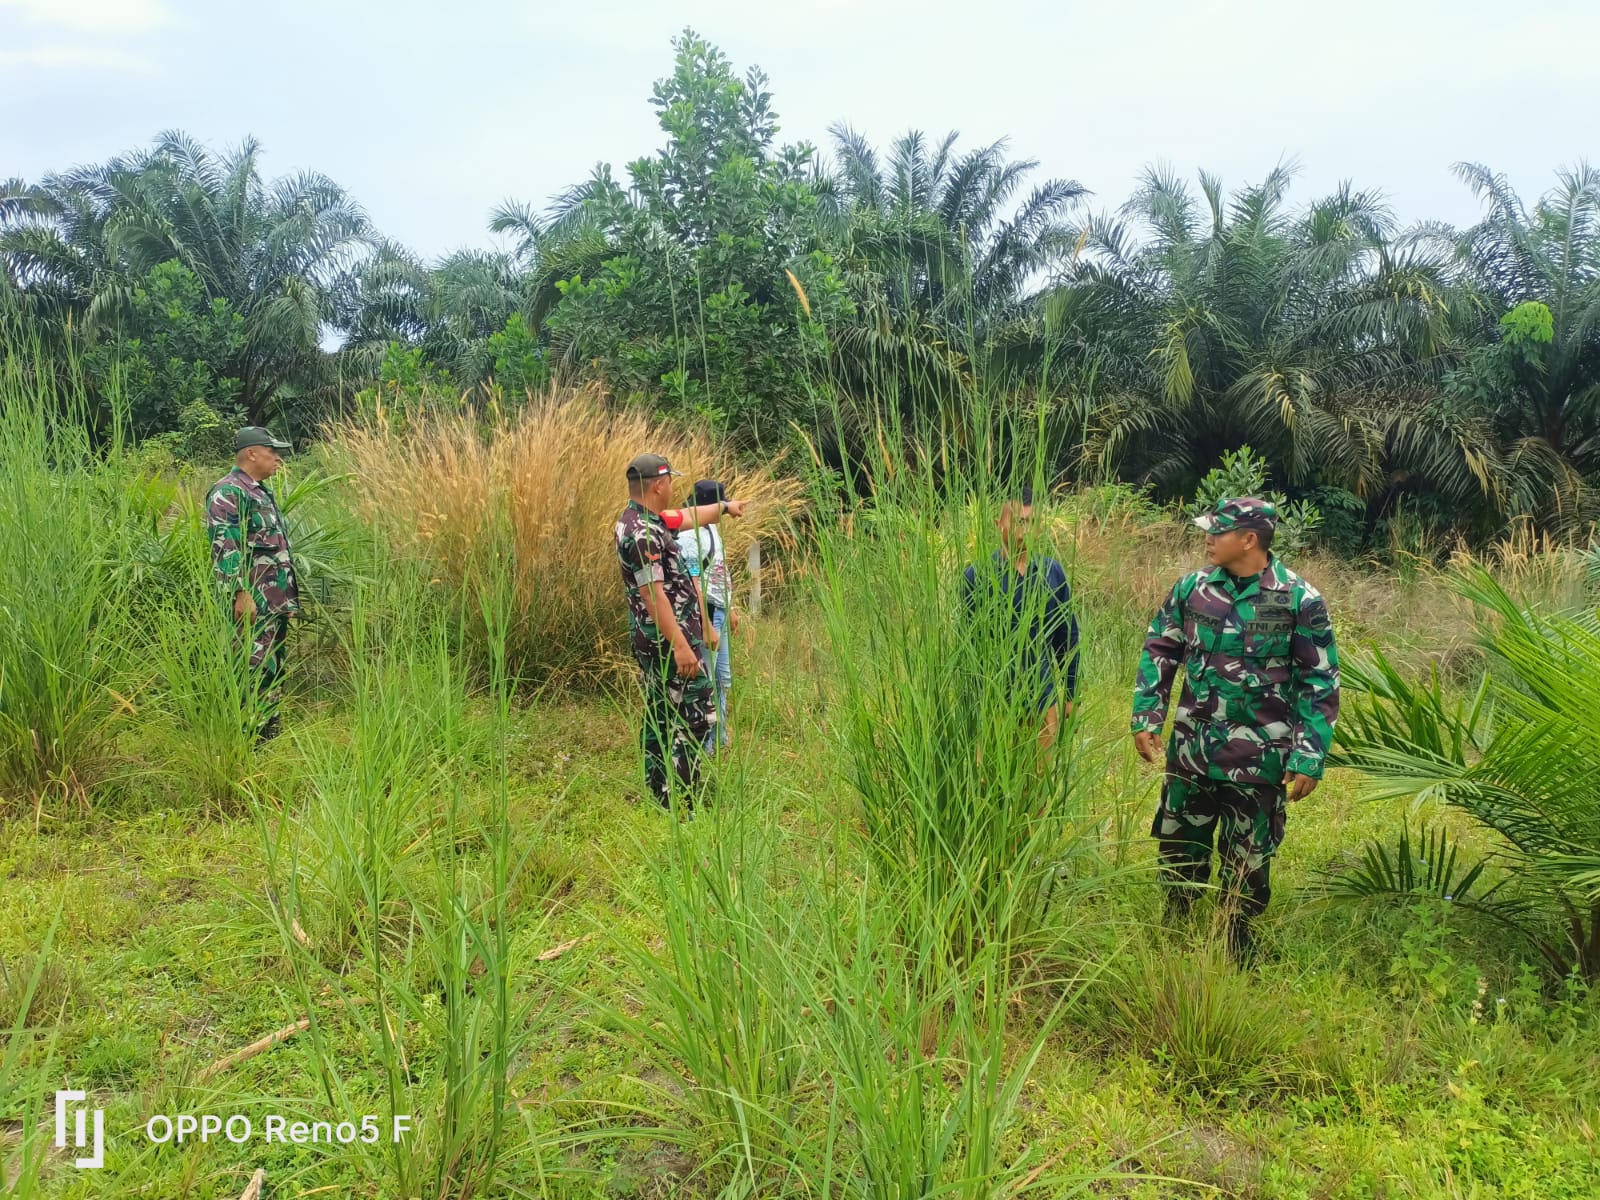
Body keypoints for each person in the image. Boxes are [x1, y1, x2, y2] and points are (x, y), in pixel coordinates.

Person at [1131, 496, 1340, 961]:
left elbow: (1319, 678)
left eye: (1218, 531)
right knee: (1179, 837)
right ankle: (1178, 918)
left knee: (1248, 852)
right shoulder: (1193, 589)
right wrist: (1147, 715)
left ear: (1249, 540)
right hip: (1192, 749)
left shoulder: (1298, 599)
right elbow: (1161, 648)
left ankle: (1236, 934)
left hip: (1258, 758)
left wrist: (1309, 755)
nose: (1208, 538)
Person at [615, 453, 746, 809]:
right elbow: (652, 594)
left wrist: (726, 506)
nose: (673, 487)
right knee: (700, 711)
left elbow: (688, 516)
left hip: (662, 639)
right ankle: (683, 796)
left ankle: (658, 790)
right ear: (659, 484)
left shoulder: (647, 520)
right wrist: (681, 646)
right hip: (665, 641)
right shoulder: (642, 534)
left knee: (660, 712)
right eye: (670, 481)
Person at [962, 487, 1080, 754]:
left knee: (1039, 786)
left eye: (1032, 522)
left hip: (1042, 701)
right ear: (998, 524)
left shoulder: (1052, 573)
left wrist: (1072, 695)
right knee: (991, 784)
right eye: (1019, 521)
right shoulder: (977, 577)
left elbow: (1068, 641)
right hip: (993, 705)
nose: (1025, 530)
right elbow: (968, 648)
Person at [206, 426, 300, 743]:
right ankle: (248, 739)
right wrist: (240, 594)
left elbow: (274, 548)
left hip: (272, 600)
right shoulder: (228, 492)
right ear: (252, 453)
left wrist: (286, 599)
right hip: (251, 602)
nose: (278, 458)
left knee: (271, 666)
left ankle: (268, 729)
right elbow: (225, 547)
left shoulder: (257, 490)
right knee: (251, 667)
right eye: (273, 451)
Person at [676, 479, 740, 751]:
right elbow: (693, 582)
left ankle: (720, 737)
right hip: (708, 611)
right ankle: (705, 744)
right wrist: (705, 624)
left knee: (723, 677)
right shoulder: (689, 536)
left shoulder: (711, 528)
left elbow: (719, 570)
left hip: (721, 609)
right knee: (708, 681)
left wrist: (731, 606)